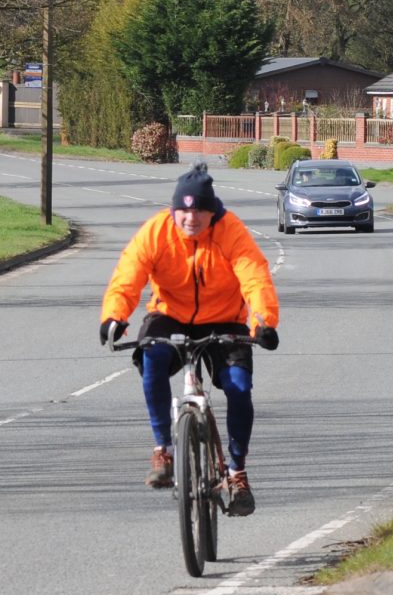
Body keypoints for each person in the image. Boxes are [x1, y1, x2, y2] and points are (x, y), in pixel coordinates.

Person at [99, 164, 279, 516]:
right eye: (182, 210)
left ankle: (236, 471)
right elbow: (128, 274)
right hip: (169, 314)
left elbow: (254, 276)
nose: (190, 218)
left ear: (212, 212)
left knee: (239, 387)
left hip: (225, 318)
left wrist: (264, 321)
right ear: (173, 211)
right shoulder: (157, 231)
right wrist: (115, 317)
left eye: (198, 211)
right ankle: (163, 449)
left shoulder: (231, 231)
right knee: (151, 358)